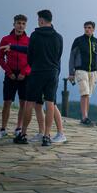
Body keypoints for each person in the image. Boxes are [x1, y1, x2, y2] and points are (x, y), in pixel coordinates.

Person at [14, 10, 63, 146]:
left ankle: (23, 134)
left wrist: (35, 65)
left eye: (38, 20)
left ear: (41, 20)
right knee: (50, 102)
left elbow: (30, 55)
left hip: (37, 71)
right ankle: (46, 136)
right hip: (52, 72)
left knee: (30, 102)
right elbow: (58, 55)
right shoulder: (59, 37)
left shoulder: (35, 35)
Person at [0, 44, 67, 143]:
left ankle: (60, 133)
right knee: (38, 105)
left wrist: (55, 76)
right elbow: (29, 50)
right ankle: (41, 133)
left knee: (52, 104)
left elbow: (56, 62)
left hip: (48, 78)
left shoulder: (51, 42)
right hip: (39, 77)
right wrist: (13, 47)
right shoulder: (44, 42)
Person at [0, 15, 30, 139]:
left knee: (23, 103)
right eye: (18, 23)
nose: (21, 25)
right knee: (7, 102)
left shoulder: (29, 40)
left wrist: (24, 72)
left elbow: (33, 59)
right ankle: (3, 128)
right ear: (14, 24)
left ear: (25, 25)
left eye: (23, 24)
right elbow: (0, 57)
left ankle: (18, 128)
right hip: (9, 75)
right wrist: (8, 71)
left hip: (24, 76)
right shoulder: (5, 39)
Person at [68, 21, 97, 126]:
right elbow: (72, 57)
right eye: (85, 27)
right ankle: (84, 117)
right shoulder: (78, 41)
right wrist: (71, 73)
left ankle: (85, 117)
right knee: (85, 93)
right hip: (80, 70)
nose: (87, 29)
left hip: (93, 72)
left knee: (88, 94)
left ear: (93, 29)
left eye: (89, 27)